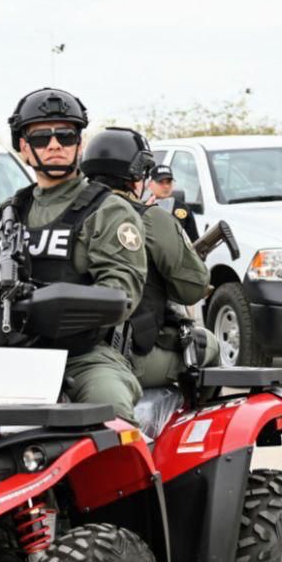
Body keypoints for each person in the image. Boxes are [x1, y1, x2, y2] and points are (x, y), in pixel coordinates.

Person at [0, 88, 147, 423]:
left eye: (66, 136)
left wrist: (52, 303)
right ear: (24, 148)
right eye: (41, 138)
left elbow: (123, 292)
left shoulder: (108, 211)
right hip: (6, 351)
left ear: (80, 144)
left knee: (109, 409)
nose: (55, 145)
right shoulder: (8, 212)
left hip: (81, 355)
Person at [81, 127, 218, 388]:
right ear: (136, 177)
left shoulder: (68, 214)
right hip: (122, 356)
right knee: (209, 345)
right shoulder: (149, 217)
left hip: (60, 350)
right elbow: (192, 289)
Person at [146, 166, 200, 242]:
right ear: (150, 184)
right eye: (161, 182)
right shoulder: (143, 207)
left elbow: (194, 241)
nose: (166, 186)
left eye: (168, 182)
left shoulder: (183, 209)